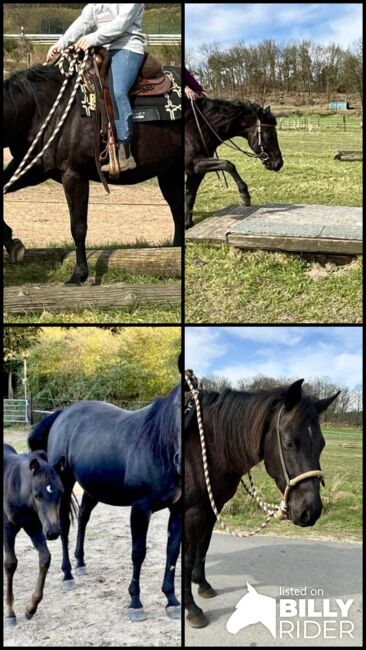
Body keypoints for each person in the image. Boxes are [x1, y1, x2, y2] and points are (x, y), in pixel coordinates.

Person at [47, 4, 146, 174]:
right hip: (102, 47)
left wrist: (93, 38)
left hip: (127, 47)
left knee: (118, 90)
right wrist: (61, 43)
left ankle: (125, 152)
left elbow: (122, 23)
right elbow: (83, 22)